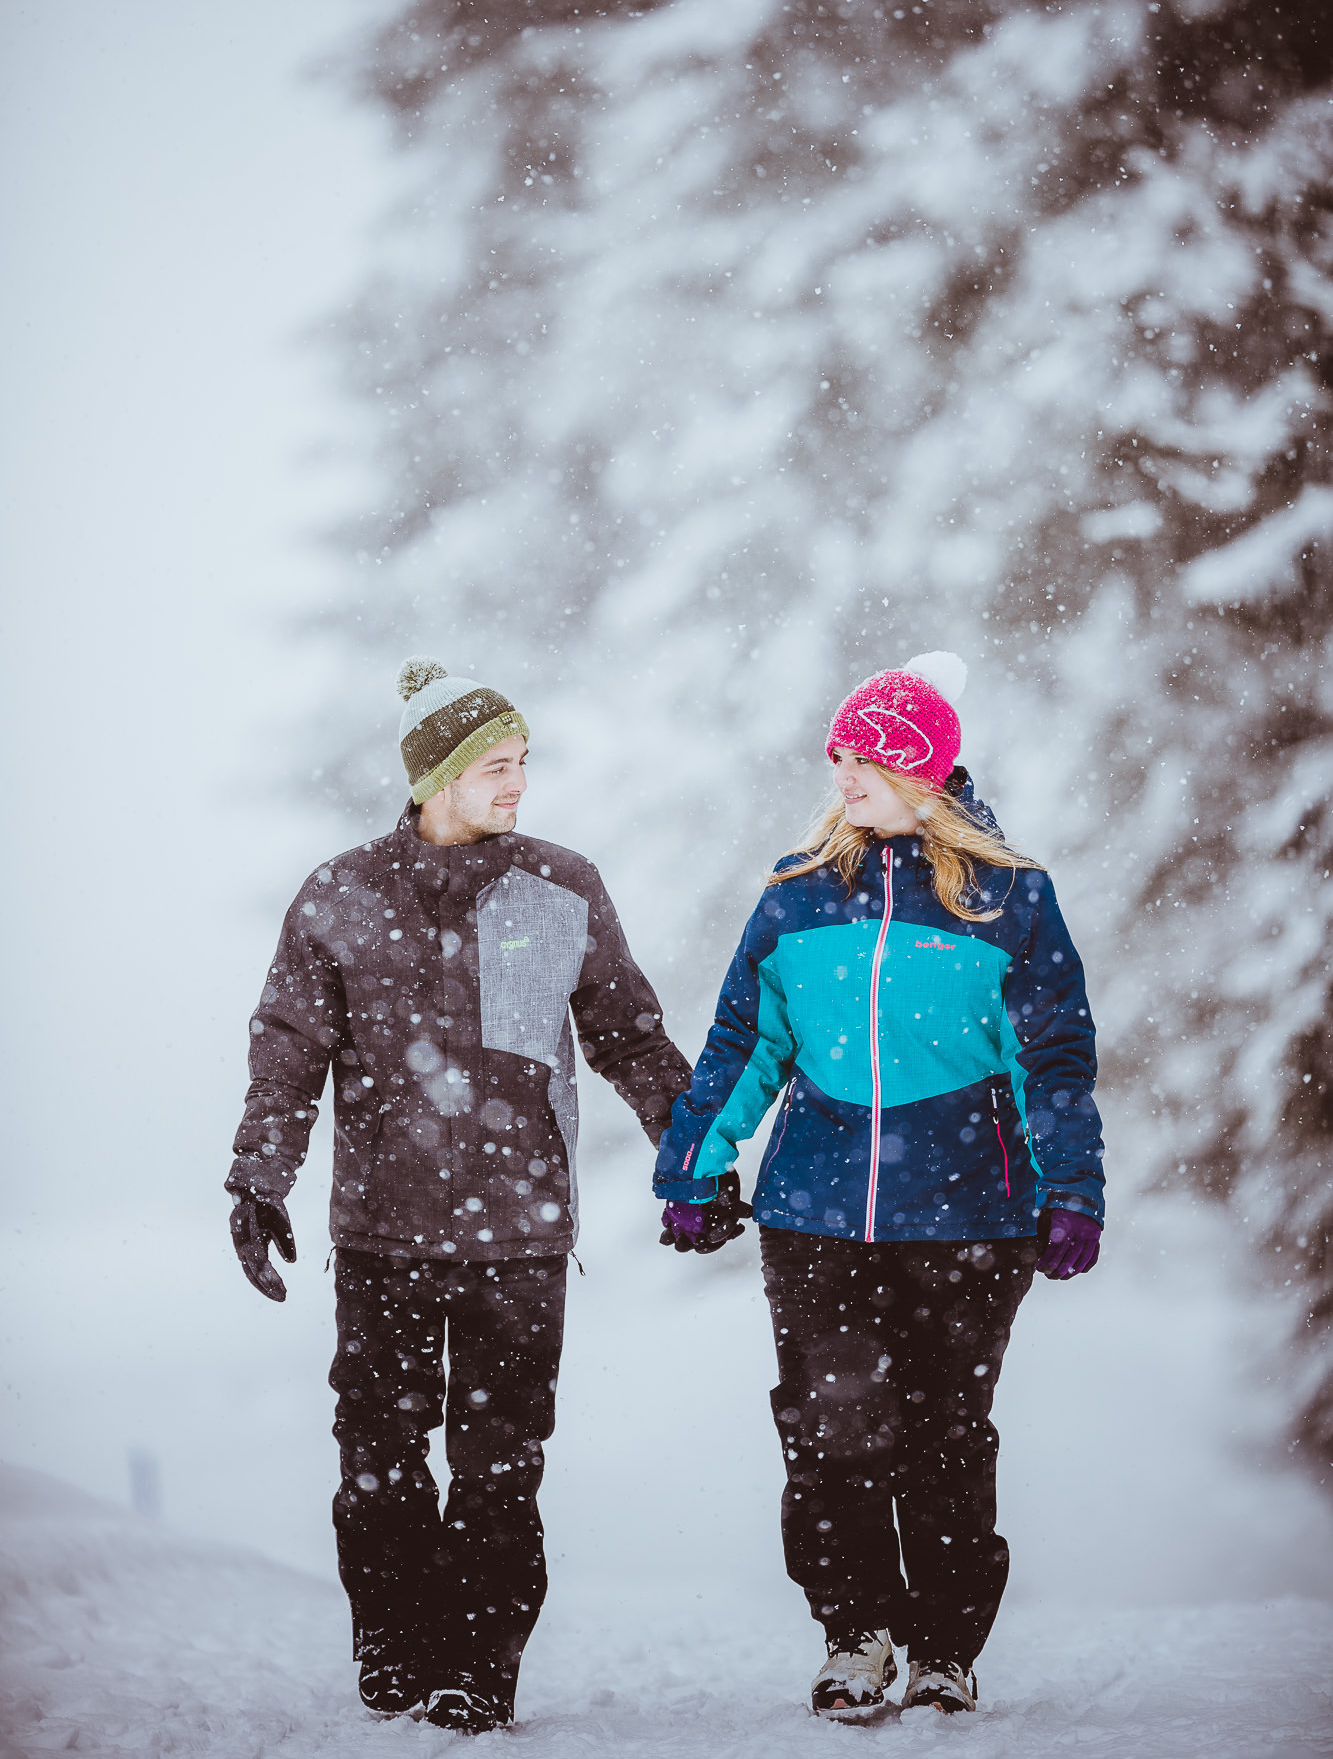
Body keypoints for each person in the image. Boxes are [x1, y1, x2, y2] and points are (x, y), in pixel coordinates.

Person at [227, 658, 691, 1734]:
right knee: (377, 1455)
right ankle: (395, 1636)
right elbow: (288, 1051)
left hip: (520, 1235)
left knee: (499, 1465)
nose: (518, 782)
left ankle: (479, 1664)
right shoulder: (339, 894)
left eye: (524, 761)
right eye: (496, 764)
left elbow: (627, 1033)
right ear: (435, 774)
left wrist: (691, 1153)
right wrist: (259, 1175)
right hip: (382, 1230)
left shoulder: (560, 888)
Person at [654, 651, 1103, 1719]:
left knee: (945, 1428)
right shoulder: (798, 893)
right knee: (831, 1424)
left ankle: (944, 1643)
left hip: (968, 1210)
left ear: (922, 770)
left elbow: (1055, 1057)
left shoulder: (1010, 900)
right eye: (839, 757)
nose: (842, 775)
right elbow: (741, 1042)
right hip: (814, 1211)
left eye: (862, 758)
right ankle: (855, 1630)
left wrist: (1072, 1187)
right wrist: (693, 1163)